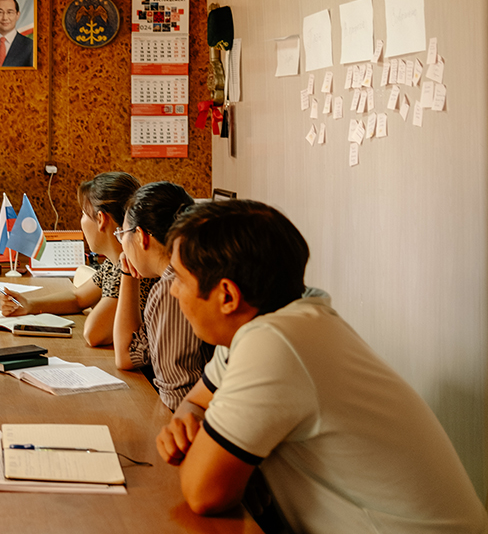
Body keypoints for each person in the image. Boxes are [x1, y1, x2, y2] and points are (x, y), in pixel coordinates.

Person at [156, 200, 487, 533]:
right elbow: (196, 402)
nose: (172, 290)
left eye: (181, 279)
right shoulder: (277, 320)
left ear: (227, 296)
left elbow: (203, 493)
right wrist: (193, 429)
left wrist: (201, 450)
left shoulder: (274, 344)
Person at [0, 171, 146, 347]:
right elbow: (78, 298)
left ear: (101, 219)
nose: (81, 220)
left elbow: (94, 334)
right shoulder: (113, 263)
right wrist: (29, 305)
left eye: (83, 213)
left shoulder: (135, 266)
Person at [113, 181, 210, 410]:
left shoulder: (170, 289)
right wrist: (128, 271)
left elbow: (176, 398)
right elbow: (128, 355)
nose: (122, 245)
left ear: (140, 236)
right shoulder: (189, 273)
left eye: (122, 235)